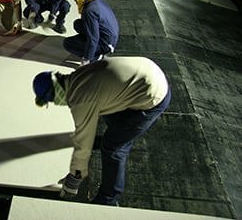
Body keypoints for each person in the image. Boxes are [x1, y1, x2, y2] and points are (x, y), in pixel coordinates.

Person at [32, 56, 171, 206]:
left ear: (53, 95)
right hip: (147, 72)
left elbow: (83, 147)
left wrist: (74, 179)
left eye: (51, 101)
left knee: (113, 148)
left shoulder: (81, 100)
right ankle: (109, 138)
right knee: (106, 112)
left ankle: (109, 198)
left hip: (152, 95)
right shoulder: (76, 76)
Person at [64, 0, 119, 66]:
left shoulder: (89, 11)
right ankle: (95, 50)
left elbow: (93, 38)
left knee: (68, 43)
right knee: (78, 24)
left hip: (106, 44)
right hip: (110, 37)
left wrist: (86, 59)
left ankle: (96, 56)